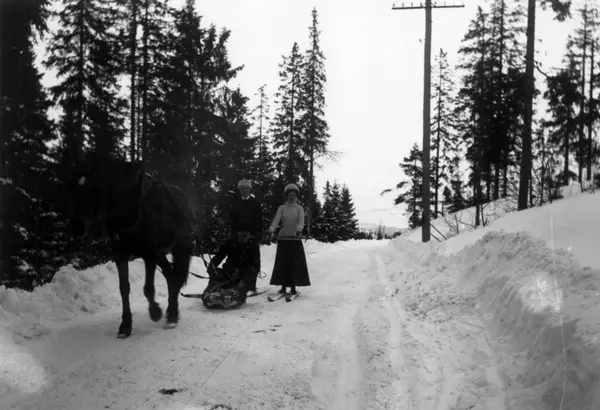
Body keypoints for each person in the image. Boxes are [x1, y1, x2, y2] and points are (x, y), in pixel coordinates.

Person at [267, 183, 311, 295]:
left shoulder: (299, 208)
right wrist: (271, 230)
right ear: (286, 196)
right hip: (283, 238)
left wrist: (298, 231)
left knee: (294, 264)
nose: (292, 197)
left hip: (295, 239)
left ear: (296, 196)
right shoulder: (282, 208)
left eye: (293, 195)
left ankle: (293, 287)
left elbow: (301, 222)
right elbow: (276, 220)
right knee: (283, 263)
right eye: (290, 195)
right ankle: (283, 286)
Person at [201, 230, 257, 309]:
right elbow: (219, 256)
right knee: (217, 272)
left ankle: (237, 293)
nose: (244, 234)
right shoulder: (230, 243)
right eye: (242, 232)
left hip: (241, 277)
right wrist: (211, 267)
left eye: (246, 233)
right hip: (228, 273)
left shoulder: (253, 246)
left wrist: (252, 285)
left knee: (251, 270)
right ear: (238, 233)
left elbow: (256, 267)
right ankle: (211, 290)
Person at [228, 179, 263, 293]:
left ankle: (252, 286)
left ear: (250, 190)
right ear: (239, 190)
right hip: (238, 237)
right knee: (238, 261)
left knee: (253, 262)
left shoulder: (255, 204)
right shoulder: (235, 204)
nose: (245, 191)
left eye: (247, 188)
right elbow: (232, 221)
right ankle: (238, 285)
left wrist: (255, 236)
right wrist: (234, 235)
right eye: (242, 189)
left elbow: (259, 221)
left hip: (251, 236)